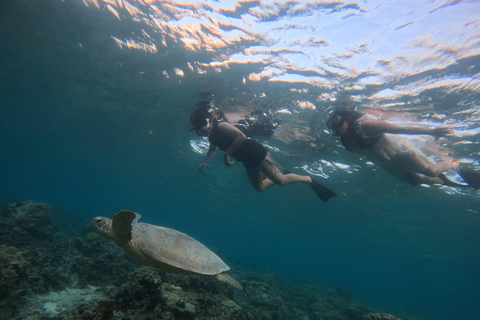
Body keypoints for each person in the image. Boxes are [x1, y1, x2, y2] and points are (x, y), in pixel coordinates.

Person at [190, 103, 337, 202]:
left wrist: (227, 153)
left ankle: (308, 180)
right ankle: (281, 173)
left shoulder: (221, 126)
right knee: (259, 188)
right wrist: (205, 163)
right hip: (248, 160)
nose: (204, 130)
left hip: (256, 153)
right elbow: (211, 149)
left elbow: (241, 136)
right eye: (200, 130)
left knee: (282, 181)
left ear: (209, 120)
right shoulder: (212, 137)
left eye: (204, 126)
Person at [326, 109, 480, 187]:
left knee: (431, 170)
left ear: (346, 116)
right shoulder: (345, 140)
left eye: (337, 121)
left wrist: (431, 131)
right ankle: (442, 181)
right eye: (332, 126)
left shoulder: (365, 125)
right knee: (413, 181)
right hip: (386, 164)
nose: (336, 128)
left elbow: (398, 129)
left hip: (401, 151)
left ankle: (450, 163)